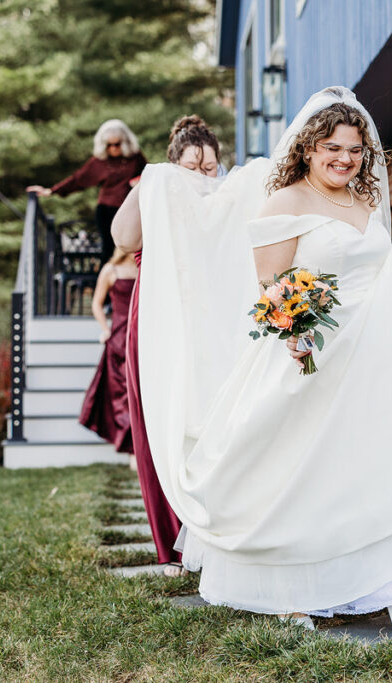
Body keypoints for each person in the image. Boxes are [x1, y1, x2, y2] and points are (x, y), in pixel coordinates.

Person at [129, 87, 392, 630]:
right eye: (332, 148)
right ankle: (293, 591)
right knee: (298, 477)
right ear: (307, 149)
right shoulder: (285, 203)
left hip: (367, 355)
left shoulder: (366, 203)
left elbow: (380, 271)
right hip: (306, 355)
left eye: (354, 149)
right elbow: (271, 285)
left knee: (369, 473)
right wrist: (296, 333)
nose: (344, 159)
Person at [112, 115, 229, 577]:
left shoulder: (225, 195)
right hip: (158, 319)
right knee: (158, 428)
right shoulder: (155, 186)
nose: (201, 177)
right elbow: (123, 239)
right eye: (190, 168)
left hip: (210, 322)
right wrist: (148, 185)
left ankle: (215, 533)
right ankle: (170, 547)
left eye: (210, 167)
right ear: (171, 164)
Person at [27, 119, 146, 263]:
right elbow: (78, 179)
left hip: (129, 208)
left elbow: (149, 176)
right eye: (109, 145)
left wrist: (139, 181)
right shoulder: (99, 162)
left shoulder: (136, 158)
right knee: (108, 249)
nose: (113, 148)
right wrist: (52, 191)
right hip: (107, 210)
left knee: (133, 246)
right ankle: (106, 282)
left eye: (117, 144)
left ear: (125, 142)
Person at [78, 249, 138, 464]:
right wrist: (105, 329)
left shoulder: (145, 267)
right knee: (123, 394)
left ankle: (141, 449)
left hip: (142, 336)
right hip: (119, 338)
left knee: (140, 392)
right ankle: (131, 449)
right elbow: (97, 303)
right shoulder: (111, 270)